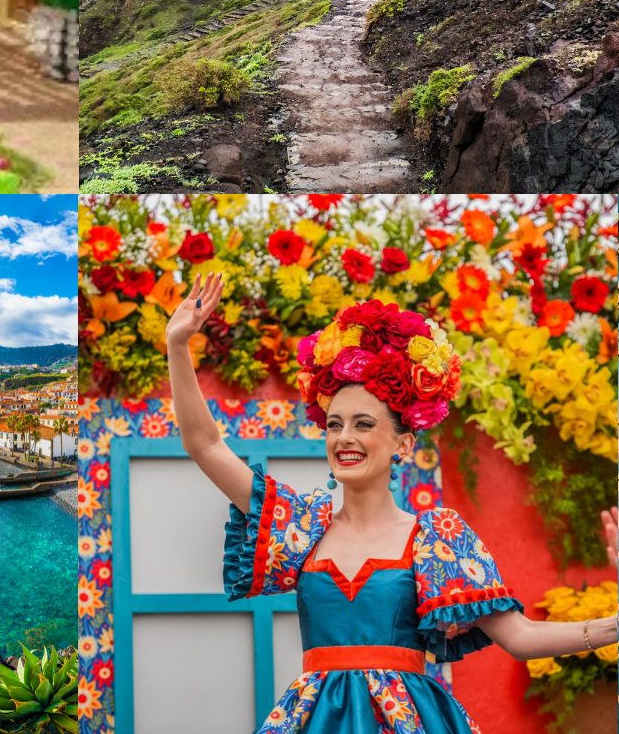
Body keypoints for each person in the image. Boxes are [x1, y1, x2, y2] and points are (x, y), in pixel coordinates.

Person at [166, 272, 619, 734]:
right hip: (317, 718)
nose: (344, 438)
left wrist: (613, 626)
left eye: (363, 424)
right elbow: (205, 445)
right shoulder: (301, 526)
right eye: (334, 425)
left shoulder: (436, 538)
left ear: (402, 445)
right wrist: (178, 345)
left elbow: (520, 638)